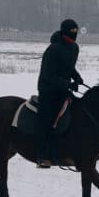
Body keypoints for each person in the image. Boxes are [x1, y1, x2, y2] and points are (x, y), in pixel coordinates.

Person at [35, 19, 84, 168]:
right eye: (72, 32)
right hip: (48, 91)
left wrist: (77, 77)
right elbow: (48, 75)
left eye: (76, 32)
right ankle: (42, 156)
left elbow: (69, 68)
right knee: (48, 121)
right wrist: (68, 84)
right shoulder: (53, 49)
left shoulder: (74, 48)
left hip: (63, 90)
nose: (74, 35)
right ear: (64, 32)